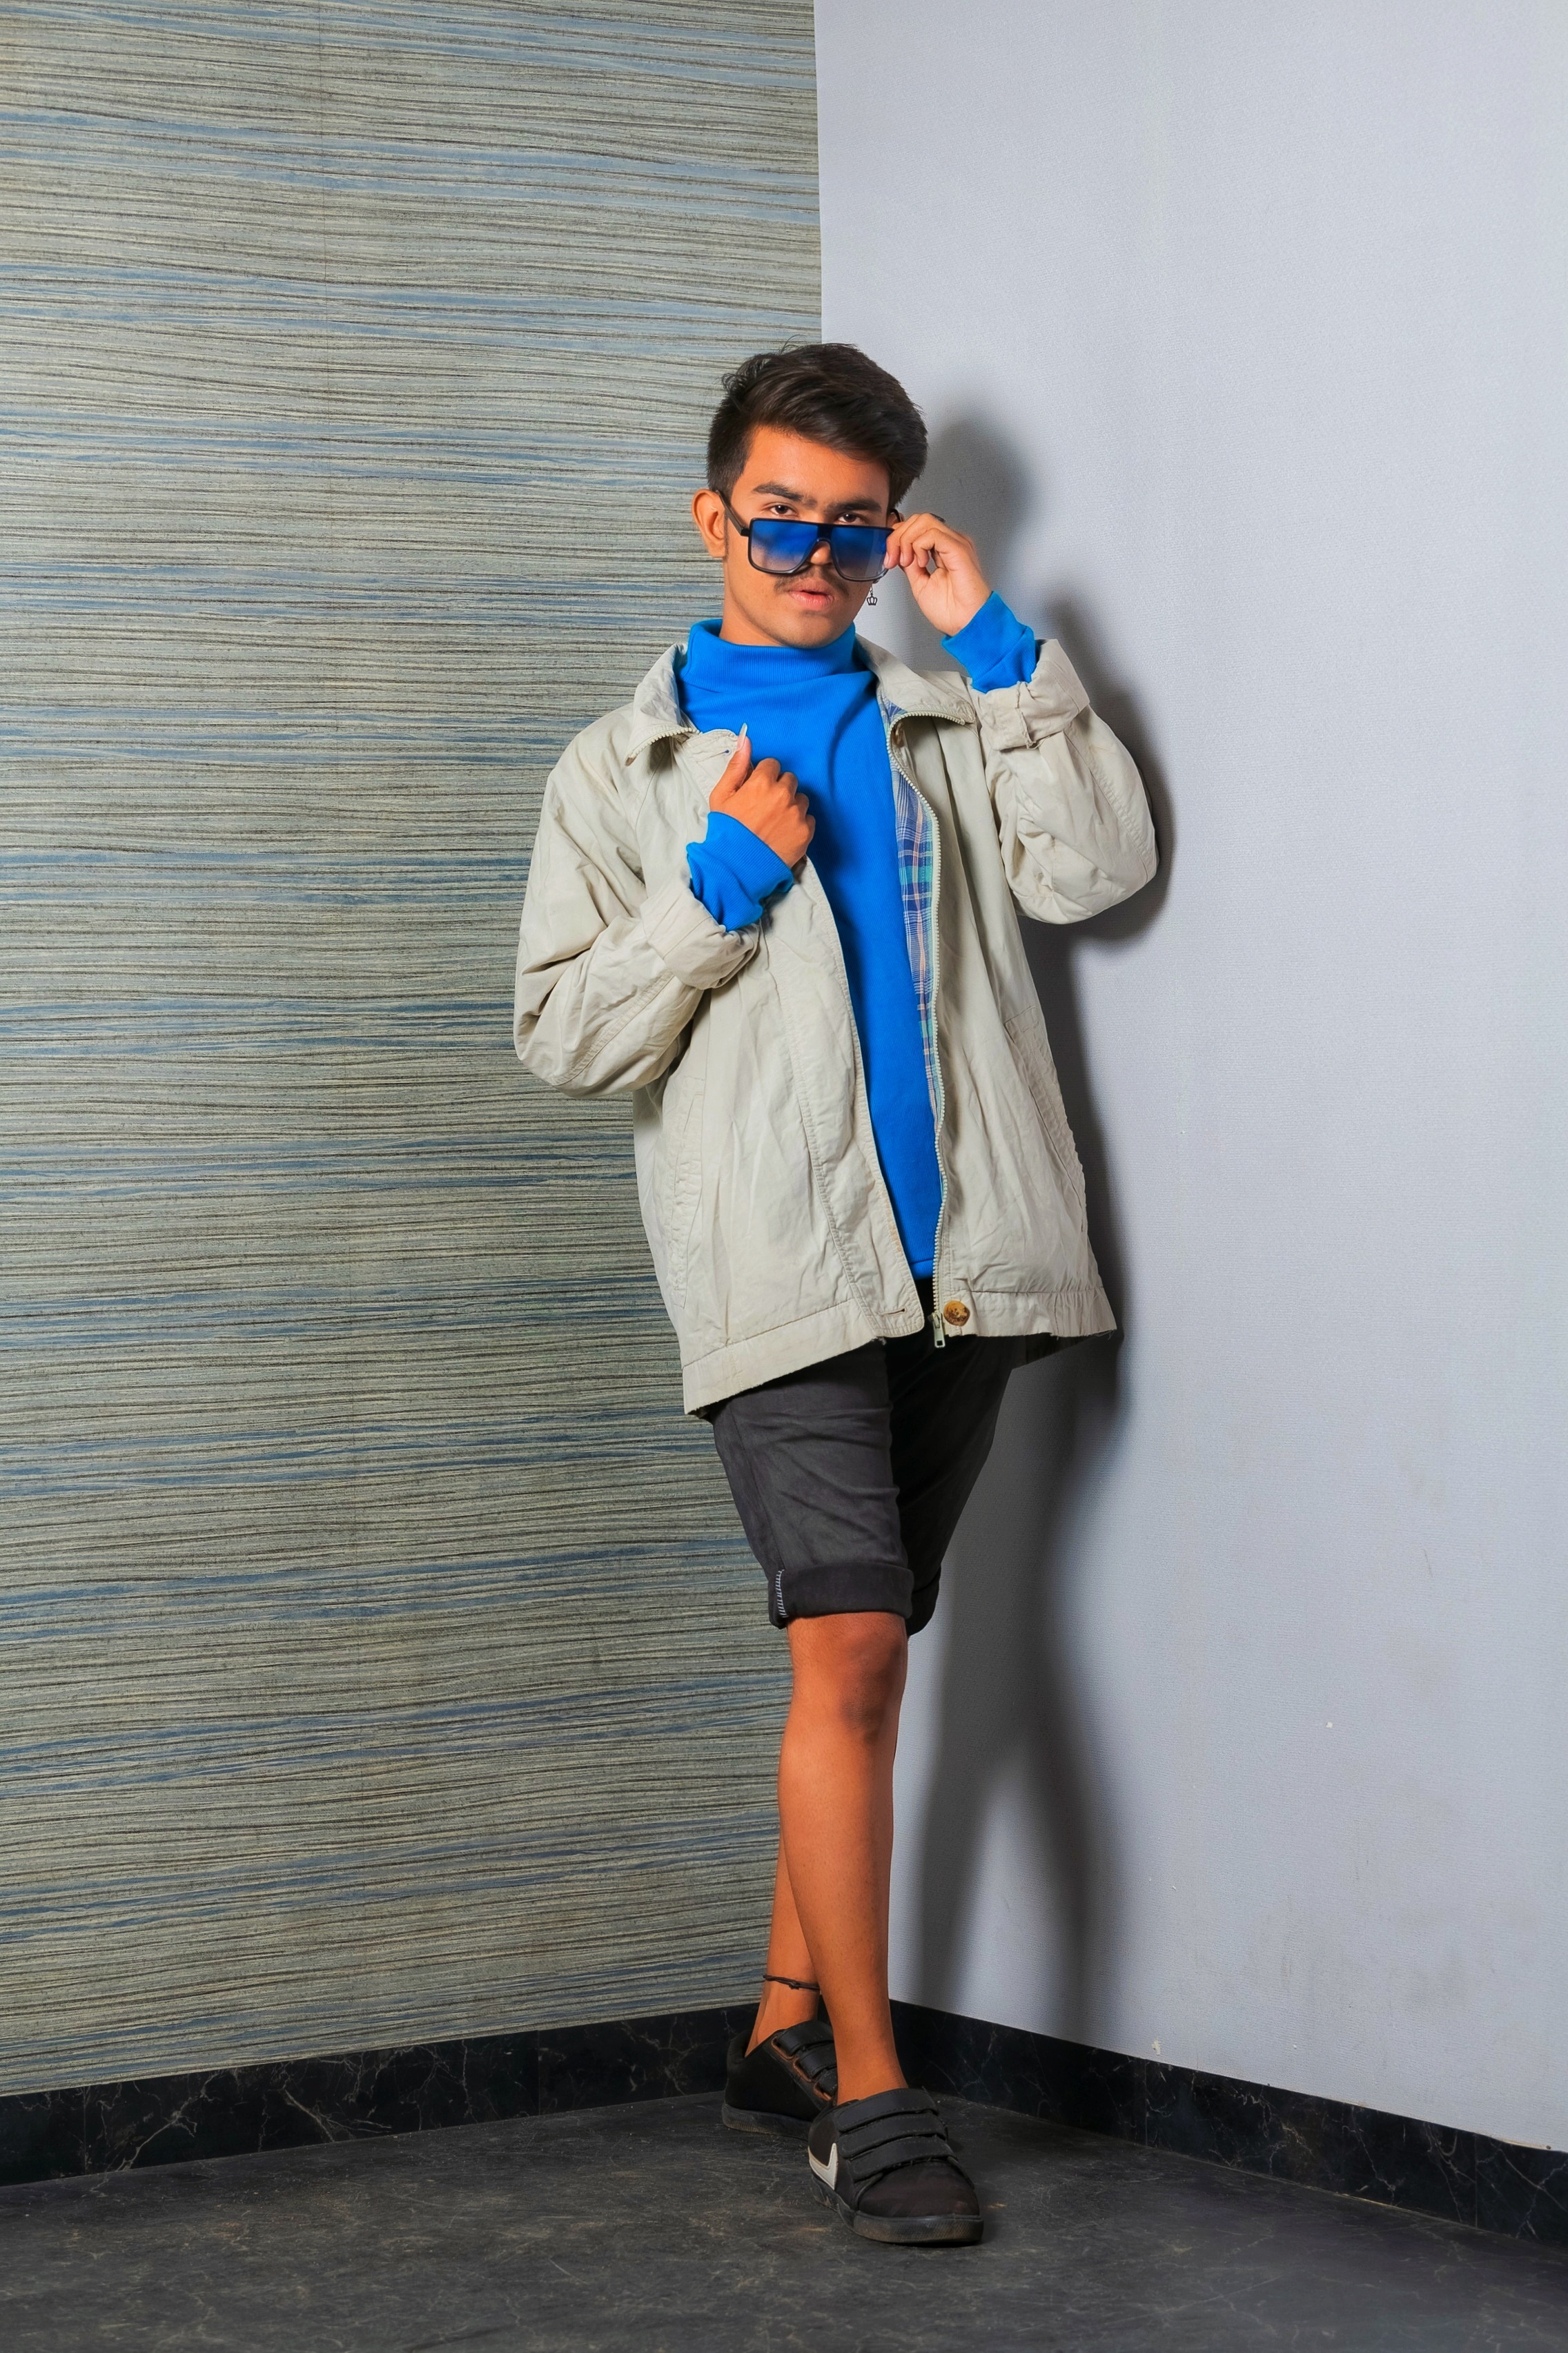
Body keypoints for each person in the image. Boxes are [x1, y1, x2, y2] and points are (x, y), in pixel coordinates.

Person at [513, 344, 1155, 2246]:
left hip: (974, 1265)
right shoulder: (621, 772)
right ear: (713, 517)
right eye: (778, 518)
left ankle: (780, 2028)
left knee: (859, 1657)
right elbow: (564, 1036)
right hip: (780, 1270)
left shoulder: (944, 720)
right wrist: (717, 878)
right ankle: (871, 2104)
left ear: (891, 538)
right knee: (857, 1649)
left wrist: (1004, 646)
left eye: (851, 529)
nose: (811, 556)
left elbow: (1097, 869)